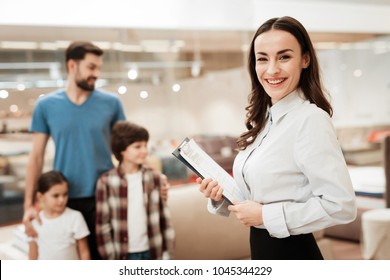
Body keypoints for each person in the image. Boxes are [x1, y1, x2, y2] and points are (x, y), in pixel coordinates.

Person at [197, 16, 357, 260]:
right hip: (262, 250)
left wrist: (264, 216)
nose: (272, 69)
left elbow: (341, 206)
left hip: (294, 254)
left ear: (305, 59)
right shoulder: (264, 121)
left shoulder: (310, 119)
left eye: (284, 57)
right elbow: (259, 194)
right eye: (263, 58)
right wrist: (221, 194)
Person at [23, 41, 126, 259]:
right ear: (72, 65)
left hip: (105, 196)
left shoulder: (112, 103)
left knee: (104, 259)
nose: (96, 73)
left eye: (99, 67)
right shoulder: (46, 106)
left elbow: (125, 151)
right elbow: (36, 157)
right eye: (91, 67)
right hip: (64, 199)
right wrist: (29, 205)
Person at [96, 121, 175, 260]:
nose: (144, 150)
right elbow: (103, 226)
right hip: (123, 254)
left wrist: (168, 254)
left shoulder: (155, 177)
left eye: (145, 145)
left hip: (153, 250)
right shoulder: (106, 182)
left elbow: (165, 218)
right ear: (122, 150)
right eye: (137, 146)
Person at [28, 170, 90, 260]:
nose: (62, 200)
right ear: (40, 197)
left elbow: (84, 252)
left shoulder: (75, 217)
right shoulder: (35, 222)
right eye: (56, 196)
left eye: (65, 194)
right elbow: (32, 255)